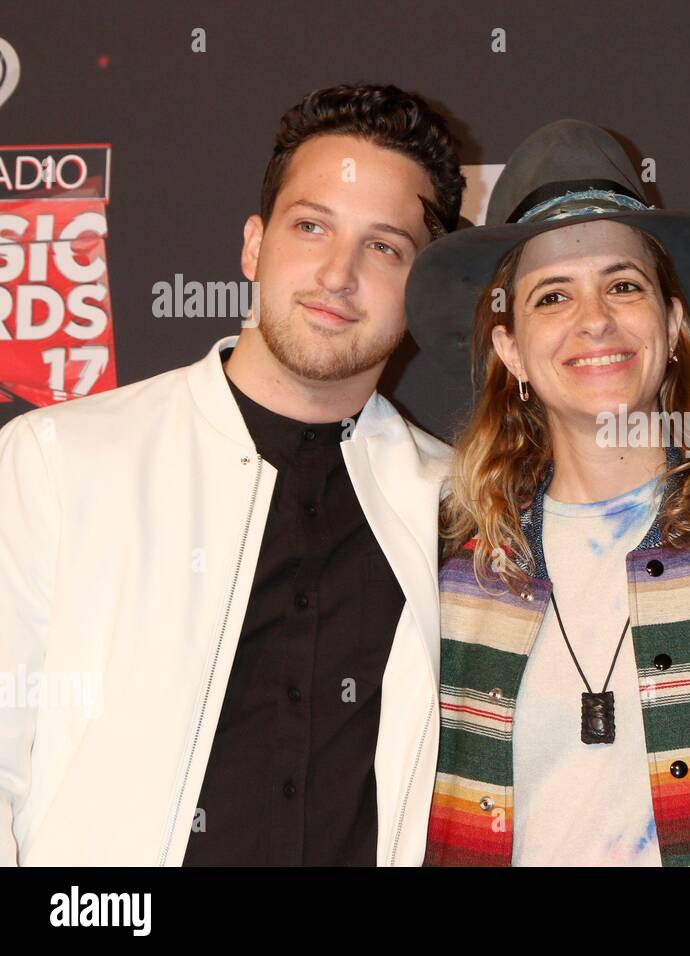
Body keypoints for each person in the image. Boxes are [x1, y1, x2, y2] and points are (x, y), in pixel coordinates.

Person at [0, 83, 464, 865]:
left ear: (421, 285)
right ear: (254, 245)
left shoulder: (455, 503)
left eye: (383, 246)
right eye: (311, 227)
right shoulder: (58, 461)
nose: (337, 274)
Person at [406, 119, 690, 866]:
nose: (594, 320)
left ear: (670, 324)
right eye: (552, 297)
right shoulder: (445, 561)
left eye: (623, 286)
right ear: (511, 348)